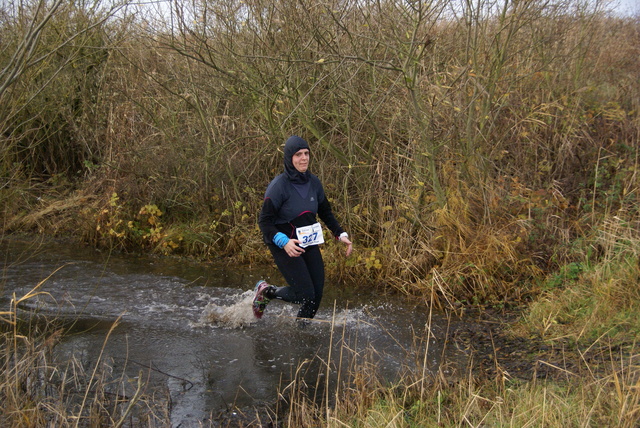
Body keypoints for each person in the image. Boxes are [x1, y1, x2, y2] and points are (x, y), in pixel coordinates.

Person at [253, 135, 353, 320]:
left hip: (308, 241)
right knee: (305, 294)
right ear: (289, 158)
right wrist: (283, 242)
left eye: (306, 153)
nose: (304, 158)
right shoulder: (279, 186)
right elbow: (264, 221)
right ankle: (266, 292)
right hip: (285, 244)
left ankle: (302, 334)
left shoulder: (314, 182)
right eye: (298, 154)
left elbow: (325, 212)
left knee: (316, 295)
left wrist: (340, 234)